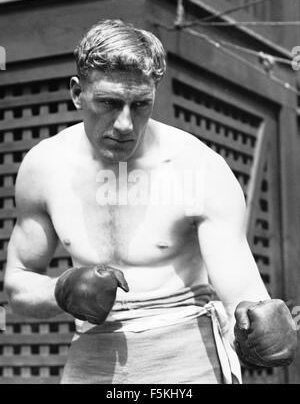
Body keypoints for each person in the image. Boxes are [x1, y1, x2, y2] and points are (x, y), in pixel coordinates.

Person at [4, 19, 297, 384]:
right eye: (109, 103)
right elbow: (15, 287)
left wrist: (257, 319)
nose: (125, 124)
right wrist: (61, 291)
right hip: (93, 358)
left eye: (140, 104)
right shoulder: (44, 167)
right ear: (78, 93)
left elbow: (241, 289)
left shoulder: (199, 167)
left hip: (188, 356)